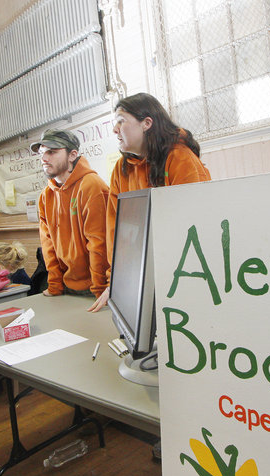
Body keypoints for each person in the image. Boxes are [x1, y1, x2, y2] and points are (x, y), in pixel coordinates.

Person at [88, 92, 211, 312]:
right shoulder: (121, 169)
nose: (115, 129)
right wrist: (115, 281)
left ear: (147, 123)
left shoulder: (179, 158)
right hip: (141, 281)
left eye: (121, 121)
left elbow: (196, 227)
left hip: (185, 277)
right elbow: (117, 232)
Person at [31, 129, 109, 298]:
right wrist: (55, 285)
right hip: (66, 287)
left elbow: (99, 244)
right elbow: (48, 245)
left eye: (52, 152)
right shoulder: (46, 195)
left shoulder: (92, 186)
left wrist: (100, 290)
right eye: (42, 153)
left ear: (72, 155)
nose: (44, 158)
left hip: (95, 288)